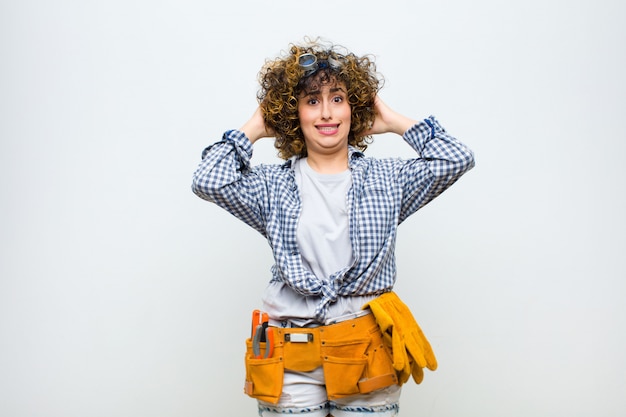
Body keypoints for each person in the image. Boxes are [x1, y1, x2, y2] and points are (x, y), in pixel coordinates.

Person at [191, 38, 475, 417]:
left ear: (355, 108)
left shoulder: (388, 179)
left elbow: (456, 158)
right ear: (294, 113)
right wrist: (256, 126)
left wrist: (392, 122)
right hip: (290, 355)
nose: (326, 113)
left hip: (364, 350)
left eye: (337, 99)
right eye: (311, 101)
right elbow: (208, 180)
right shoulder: (271, 185)